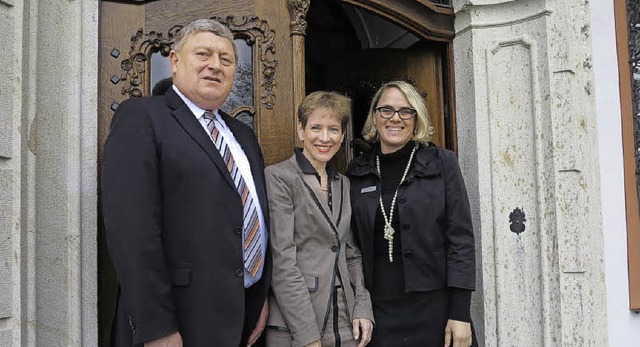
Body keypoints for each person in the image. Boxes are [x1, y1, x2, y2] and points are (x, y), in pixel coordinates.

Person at [102, 19, 270, 346]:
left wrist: (259, 295)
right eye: (203, 54)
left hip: (241, 318)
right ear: (175, 61)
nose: (215, 65)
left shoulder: (243, 136)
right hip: (176, 322)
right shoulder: (142, 117)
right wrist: (156, 328)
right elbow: (131, 230)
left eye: (226, 59)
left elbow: (253, 220)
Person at [347, 81, 476, 347]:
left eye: (406, 111)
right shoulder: (357, 170)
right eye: (386, 110)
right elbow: (351, 246)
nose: (395, 118)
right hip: (378, 313)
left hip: (435, 311)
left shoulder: (442, 163)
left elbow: (461, 239)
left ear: (416, 119)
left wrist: (460, 313)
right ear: (374, 117)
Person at [265, 91, 374, 347]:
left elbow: (351, 252)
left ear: (343, 135)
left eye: (333, 129)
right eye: (316, 128)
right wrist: (307, 335)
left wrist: (362, 306)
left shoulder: (344, 183)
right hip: (297, 322)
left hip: (347, 323)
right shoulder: (279, 177)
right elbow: (282, 261)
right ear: (301, 130)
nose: (325, 138)